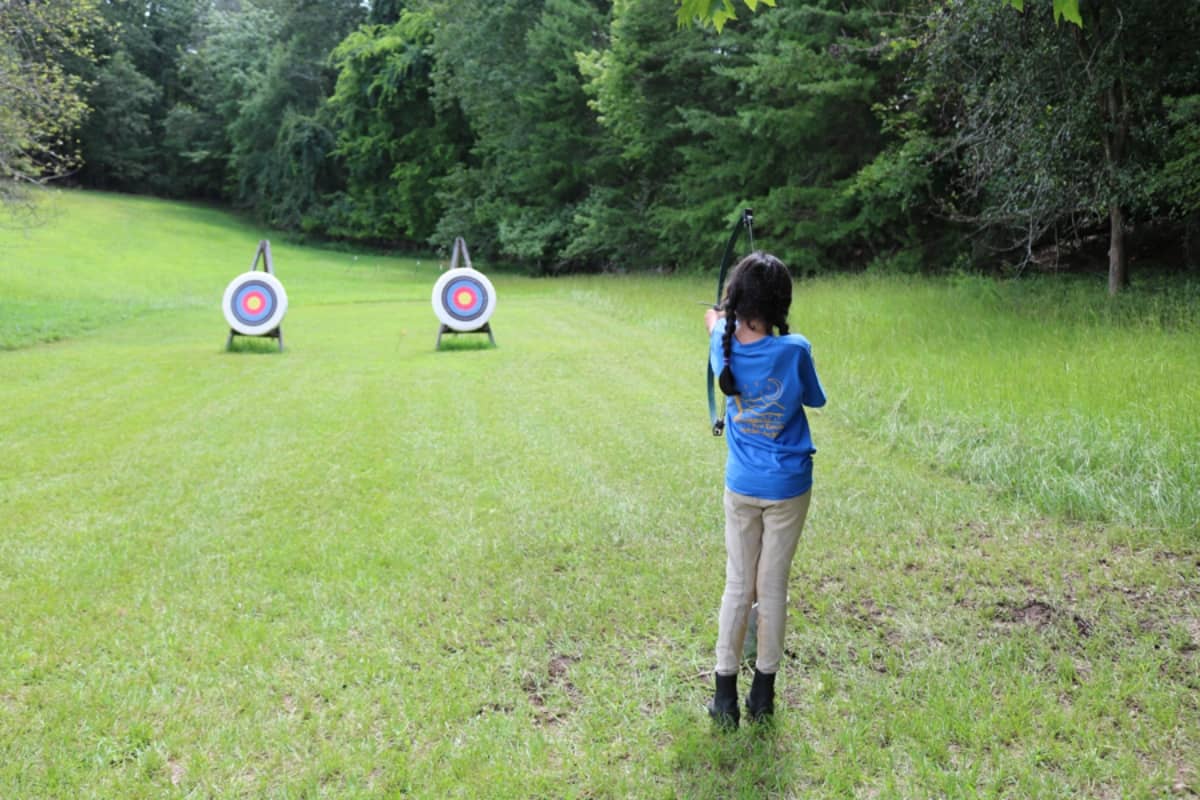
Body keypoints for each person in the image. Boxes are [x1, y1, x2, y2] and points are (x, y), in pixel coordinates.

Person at [703, 251, 826, 729]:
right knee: (771, 586)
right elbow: (814, 397)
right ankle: (763, 694)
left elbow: (714, 322)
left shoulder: (723, 342)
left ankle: (724, 698)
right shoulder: (795, 349)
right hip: (789, 487)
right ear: (779, 304)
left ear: (735, 300)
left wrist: (719, 315)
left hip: (743, 485)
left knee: (739, 584)